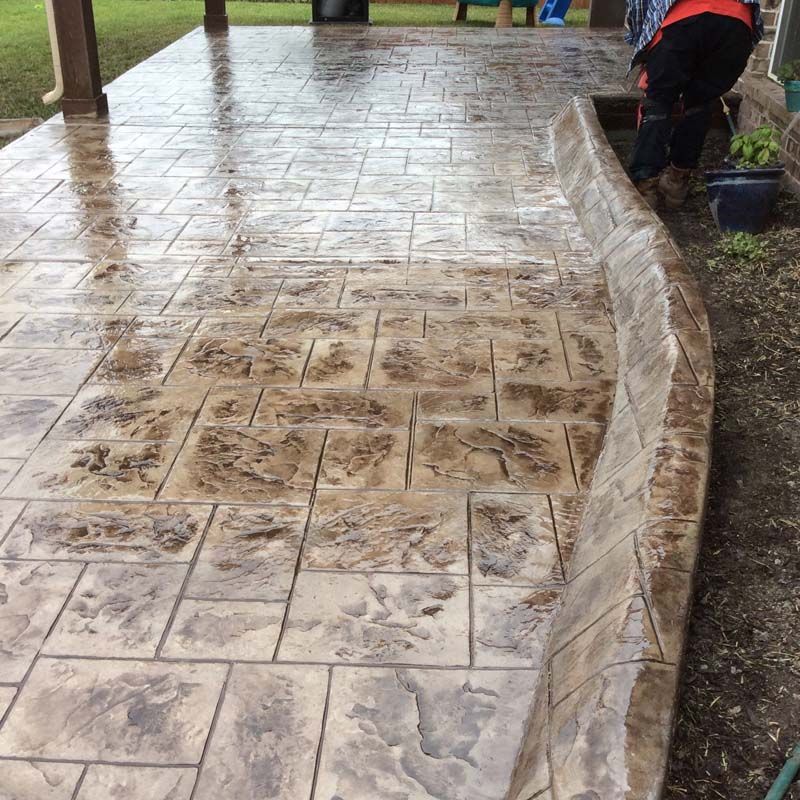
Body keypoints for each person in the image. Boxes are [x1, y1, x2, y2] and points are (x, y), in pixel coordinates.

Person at [625, 0, 764, 208]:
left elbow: (638, 5)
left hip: (683, 18)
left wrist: (642, 40)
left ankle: (645, 187)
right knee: (700, 102)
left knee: (658, 101)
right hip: (737, 25)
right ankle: (676, 182)